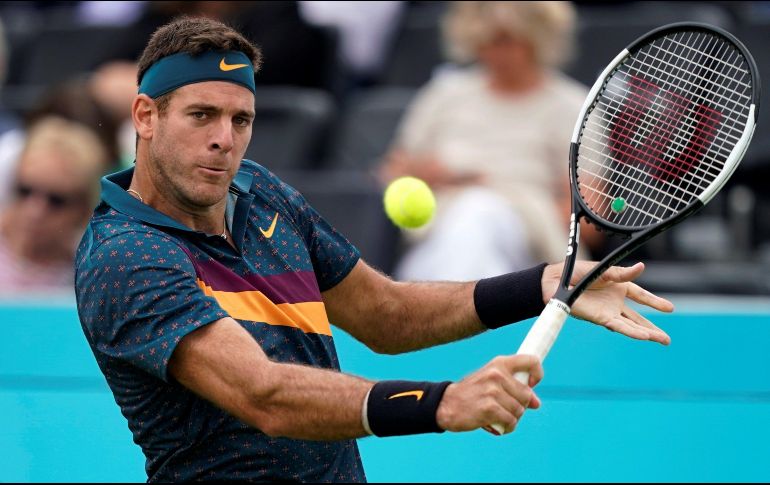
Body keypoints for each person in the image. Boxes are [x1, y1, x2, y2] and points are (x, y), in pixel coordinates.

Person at [74, 16, 673, 483]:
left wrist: (538, 283)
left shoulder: (261, 194)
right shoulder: (125, 255)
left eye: (241, 119)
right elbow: (265, 395)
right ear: (145, 116)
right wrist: (441, 403)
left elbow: (385, 314)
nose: (224, 141)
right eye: (201, 115)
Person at [380, 1, 603, 282]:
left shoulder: (574, 106)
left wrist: (508, 198)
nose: (495, 52)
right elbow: (393, 171)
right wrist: (435, 177)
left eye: (507, 40)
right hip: (438, 237)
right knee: (473, 214)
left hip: (534, 253)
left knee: (480, 211)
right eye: (486, 40)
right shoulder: (443, 94)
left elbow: (590, 223)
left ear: (537, 37)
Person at [0, 116, 106, 294]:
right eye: (25, 190)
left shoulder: (91, 275)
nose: (35, 211)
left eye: (56, 200)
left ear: (82, 209)